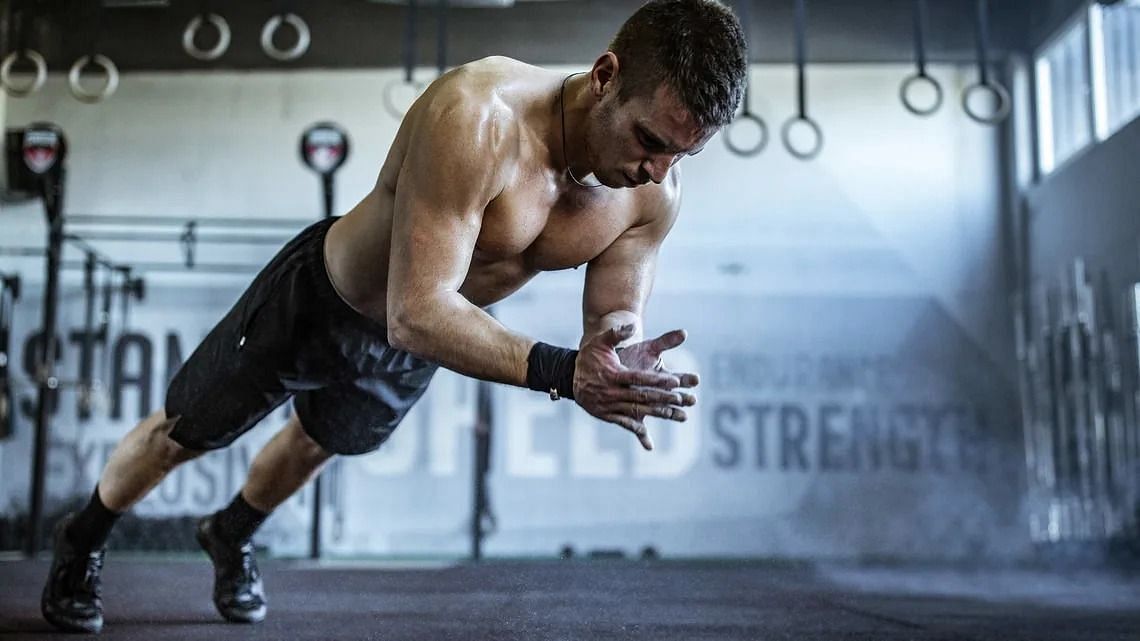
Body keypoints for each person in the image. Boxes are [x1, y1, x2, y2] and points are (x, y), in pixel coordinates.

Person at [41, 0, 747, 633]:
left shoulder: (653, 193)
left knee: (322, 441)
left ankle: (230, 533)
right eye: (652, 141)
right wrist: (566, 371)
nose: (659, 169)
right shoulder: (478, 117)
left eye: (683, 153)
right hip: (327, 299)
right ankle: (83, 538)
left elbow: (614, 306)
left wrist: (614, 350)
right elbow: (416, 310)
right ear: (604, 75)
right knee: (186, 432)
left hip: (424, 337)